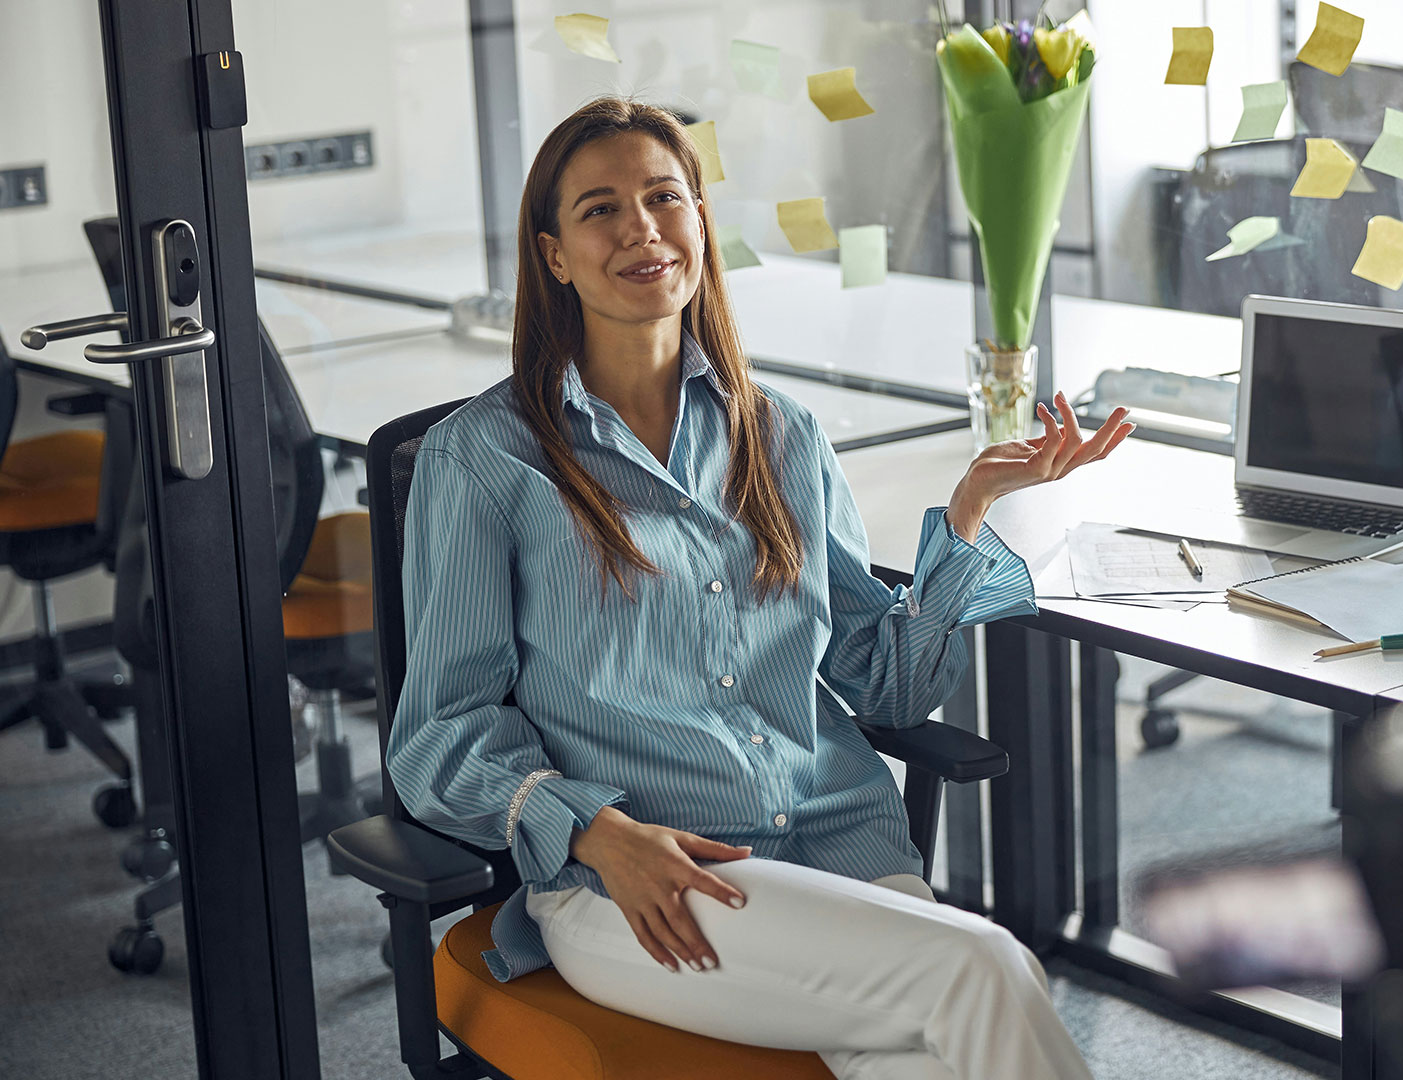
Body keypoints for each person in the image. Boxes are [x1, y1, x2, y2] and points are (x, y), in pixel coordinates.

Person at [386, 96, 1132, 1080]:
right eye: (601, 210)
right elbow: (438, 738)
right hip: (644, 882)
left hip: (842, 847)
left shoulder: (781, 435)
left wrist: (969, 511)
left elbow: (889, 690)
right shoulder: (486, 460)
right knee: (985, 969)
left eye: (665, 198)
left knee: (931, 1060)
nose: (642, 228)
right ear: (554, 256)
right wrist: (597, 832)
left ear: (700, 223)